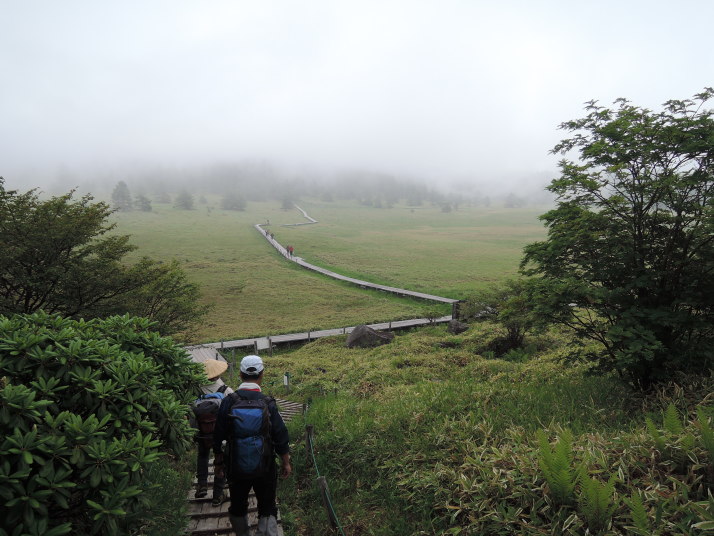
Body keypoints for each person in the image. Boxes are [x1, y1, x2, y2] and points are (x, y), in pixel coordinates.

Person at [213, 355, 291, 536]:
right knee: (267, 505)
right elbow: (280, 435)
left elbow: (218, 435)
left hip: (235, 465)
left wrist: (218, 462)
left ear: (240, 375)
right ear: (261, 375)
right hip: (265, 466)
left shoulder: (229, 401)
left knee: (238, 505)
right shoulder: (267, 403)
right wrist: (286, 461)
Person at [195, 358, 234, 505]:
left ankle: (202, 485)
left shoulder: (196, 390)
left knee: (203, 455)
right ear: (218, 373)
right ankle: (218, 495)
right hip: (221, 432)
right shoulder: (226, 390)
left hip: (202, 432)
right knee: (221, 459)